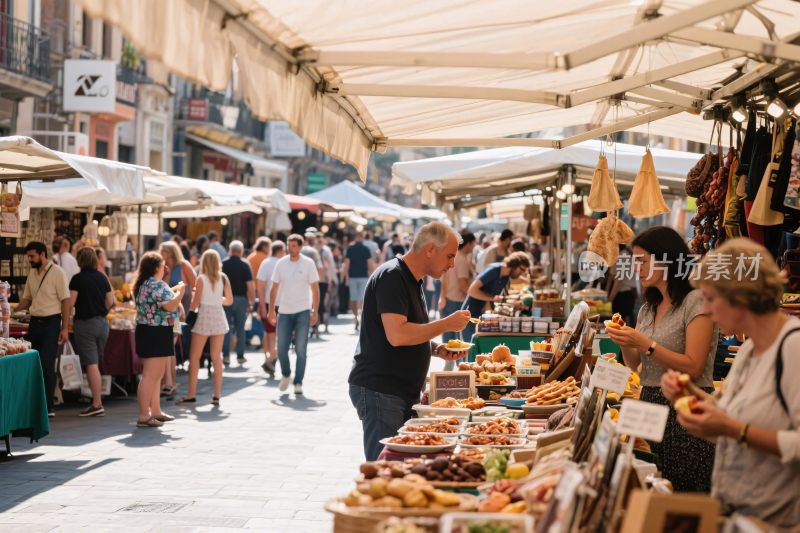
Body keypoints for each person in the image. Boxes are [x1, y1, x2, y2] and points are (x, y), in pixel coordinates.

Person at [659, 239, 799, 525]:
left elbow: (733, 427)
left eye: (711, 298)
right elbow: (725, 421)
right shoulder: (749, 348)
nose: (706, 310)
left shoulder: (793, 348)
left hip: (777, 521)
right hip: (738, 515)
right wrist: (690, 396)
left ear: (741, 296)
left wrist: (733, 430)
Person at [606, 226, 717, 493]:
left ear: (666, 259)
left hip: (687, 407)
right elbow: (638, 366)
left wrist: (645, 343)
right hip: (649, 404)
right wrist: (625, 341)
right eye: (635, 262)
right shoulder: (648, 307)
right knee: (652, 488)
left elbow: (693, 365)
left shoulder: (695, 300)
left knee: (685, 495)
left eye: (643, 261)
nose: (637, 269)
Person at [348, 222, 472, 460]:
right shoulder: (392, 276)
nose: (452, 264)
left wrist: (436, 349)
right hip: (381, 390)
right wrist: (446, 324)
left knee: (399, 466)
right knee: (385, 469)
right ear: (429, 250)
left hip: (398, 392)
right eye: (449, 256)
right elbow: (398, 335)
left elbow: (404, 332)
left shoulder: (411, 278)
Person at [16, 241, 71, 417]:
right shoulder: (32, 273)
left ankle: (48, 407)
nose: (29, 260)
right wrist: (10, 309)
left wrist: (65, 328)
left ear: (42, 254)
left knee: (47, 364)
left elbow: (66, 301)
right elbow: (27, 299)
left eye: (32, 256)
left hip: (51, 323)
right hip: (35, 322)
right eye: (28, 257)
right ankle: (35, 404)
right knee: (33, 363)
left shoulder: (57, 273)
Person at [132, 252, 185, 428]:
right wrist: (181, 293)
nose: (165, 269)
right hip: (156, 331)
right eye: (163, 266)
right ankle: (143, 415)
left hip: (149, 331)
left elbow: (161, 301)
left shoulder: (144, 284)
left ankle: (155, 411)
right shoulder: (156, 284)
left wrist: (174, 291)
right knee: (150, 375)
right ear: (156, 268)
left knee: (155, 375)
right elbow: (170, 305)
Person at [178, 250, 233, 406]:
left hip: (204, 317)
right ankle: (216, 395)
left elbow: (195, 304)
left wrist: (199, 298)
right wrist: (216, 299)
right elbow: (229, 300)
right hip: (218, 316)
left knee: (194, 356)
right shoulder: (223, 278)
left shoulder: (201, 279)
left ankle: (191, 394)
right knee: (217, 357)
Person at [268, 234, 319, 395]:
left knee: (301, 349)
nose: (290, 249)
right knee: (281, 348)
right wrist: (271, 310)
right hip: (284, 311)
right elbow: (274, 288)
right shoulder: (281, 264)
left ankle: (298, 382)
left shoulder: (308, 263)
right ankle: (286, 374)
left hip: (303, 310)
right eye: (288, 246)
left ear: (300, 247)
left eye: (294, 246)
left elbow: (315, 289)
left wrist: (315, 310)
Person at [69, 247, 113, 417]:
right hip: (102, 323)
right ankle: (96, 399)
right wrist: (102, 311)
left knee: (91, 364)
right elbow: (111, 301)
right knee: (95, 362)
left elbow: (71, 302)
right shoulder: (102, 277)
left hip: (85, 324)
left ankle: (96, 403)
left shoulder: (77, 279)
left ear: (80, 261)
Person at [461, 251, 531, 341]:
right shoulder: (494, 270)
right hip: (469, 314)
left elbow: (494, 299)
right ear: (514, 264)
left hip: (481, 316)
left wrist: (512, 303)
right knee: (469, 350)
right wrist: (493, 298)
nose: (521, 273)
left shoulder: (506, 276)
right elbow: (471, 290)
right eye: (521, 269)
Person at [159, 241, 197, 395]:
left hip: (180, 311)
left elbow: (195, 286)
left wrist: (192, 309)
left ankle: (169, 383)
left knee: (170, 346)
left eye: (163, 252)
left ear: (170, 252)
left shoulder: (184, 266)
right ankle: (169, 383)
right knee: (169, 347)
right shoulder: (163, 267)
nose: (161, 254)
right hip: (166, 312)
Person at [439, 231, 476, 368]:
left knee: (450, 337)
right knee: (457, 339)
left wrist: (442, 297)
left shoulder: (456, 257)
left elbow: (445, 279)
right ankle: (459, 368)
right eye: (474, 243)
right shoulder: (460, 259)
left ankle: (451, 367)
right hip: (458, 301)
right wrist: (475, 295)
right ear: (470, 243)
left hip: (449, 299)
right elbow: (462, 284)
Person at [221, 241, 255, 366]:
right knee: (241, 328)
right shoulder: (245, 264)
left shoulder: (223, 263)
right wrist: (252, 301)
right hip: (241, 299)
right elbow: (250, 285)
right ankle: (240, 356)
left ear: (230, 251)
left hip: (225, 299)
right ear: (241, 251)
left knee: (226, 328)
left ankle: (226, 356)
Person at [257, 241, 286, 377]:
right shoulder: (285, 263)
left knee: (270, 332)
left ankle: (271, 358)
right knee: (280, 333)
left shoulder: (266, 263)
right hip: (285, 303)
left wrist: (262, 305)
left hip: (270, 302)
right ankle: (271, 359)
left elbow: (260, 286)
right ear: (279, 251)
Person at [343, 232, 376, 330]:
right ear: (361, 238)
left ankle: (355, 317)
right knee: (362, 299)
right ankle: (361, 317)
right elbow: (370, 265)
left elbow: (347, 264)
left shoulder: (350, 249)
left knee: (353, 299)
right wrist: (372, 277)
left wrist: (345, 276)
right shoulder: (366, 249)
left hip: (353, 276)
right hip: (364, 276)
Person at [607, 244, 638, 327]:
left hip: (623, 295)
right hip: (624, 294)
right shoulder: (623, 254)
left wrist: (610, 299)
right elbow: (612, 275)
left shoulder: (622, 256)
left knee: (620, 324)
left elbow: (618, 280)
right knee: (621, 323)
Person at [315, 232, 335, 334]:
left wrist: (330, 281)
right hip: (315, 281)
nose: (319, 240)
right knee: (316, 305)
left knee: (325, 305)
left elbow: (330, 267)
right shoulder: (312, 250)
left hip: (324, 281)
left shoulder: (326, 251)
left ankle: (325, 325)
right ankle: (316, 326)